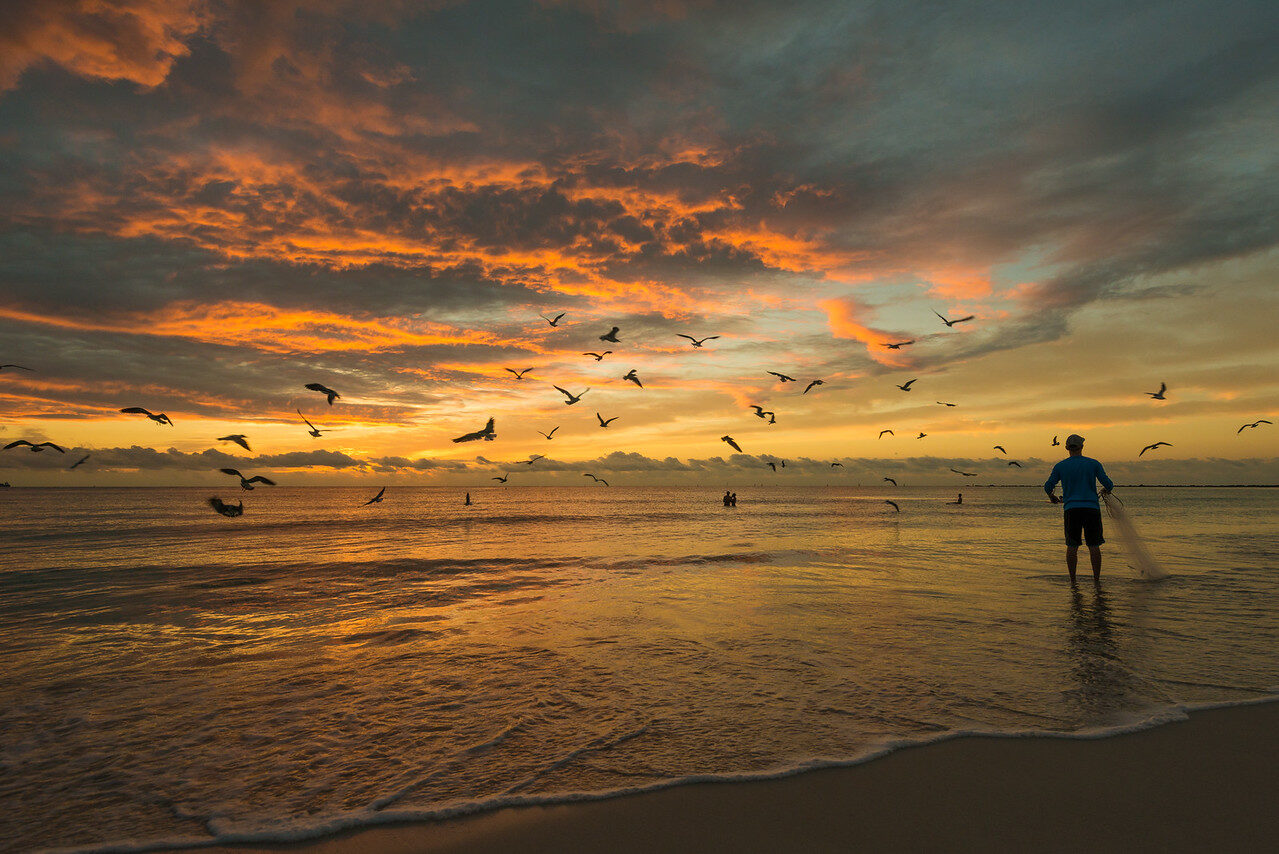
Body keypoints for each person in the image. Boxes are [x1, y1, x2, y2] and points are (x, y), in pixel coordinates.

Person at [1044, 434, 1114, 585]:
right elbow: (1109, 484)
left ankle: (1073, 582)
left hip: (1071, 509)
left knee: (1072, 546)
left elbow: (1048, 486)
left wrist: (1052, 497)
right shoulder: (1093, 464)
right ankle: (1096, 582)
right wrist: (1105, 490)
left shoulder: (1060, 466)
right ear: (1082, 447)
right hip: (1091, 509)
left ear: (1066, 448)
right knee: (1094, 546)